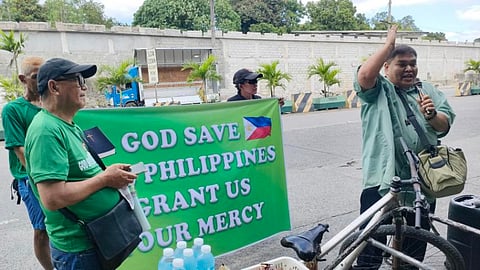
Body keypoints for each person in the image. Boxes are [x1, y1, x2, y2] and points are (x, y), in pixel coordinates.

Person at [353, 25, 455, 269]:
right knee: (370, 247)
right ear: (387, 67)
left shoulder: (427, 90)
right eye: (402, 63)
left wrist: (431, 115)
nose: (409, 68)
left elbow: (444, 125)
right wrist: (388, 46)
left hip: (423, 183)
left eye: (413, 63)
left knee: (413, 252)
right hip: (382, 181)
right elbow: (365, 77)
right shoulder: (378, 90)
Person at [24, 58, 138, 270]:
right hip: (78, 250)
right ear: (54, 86)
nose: (84, 86)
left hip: (96, 241)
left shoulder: (67, 125)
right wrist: (105, 179)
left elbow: (82, 174)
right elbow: (53, 197)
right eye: (77, 80)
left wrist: (112, 176)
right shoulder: (46, 131)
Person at [1, 56, 54, 270]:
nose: (41, 79)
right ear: (23, 79)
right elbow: (20, 150)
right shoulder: (13, 110)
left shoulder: (52, 103)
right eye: (35, 76)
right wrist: (40, 180)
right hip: (30, 178)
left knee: (60, 225)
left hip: (57, 173)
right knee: (41, 229)